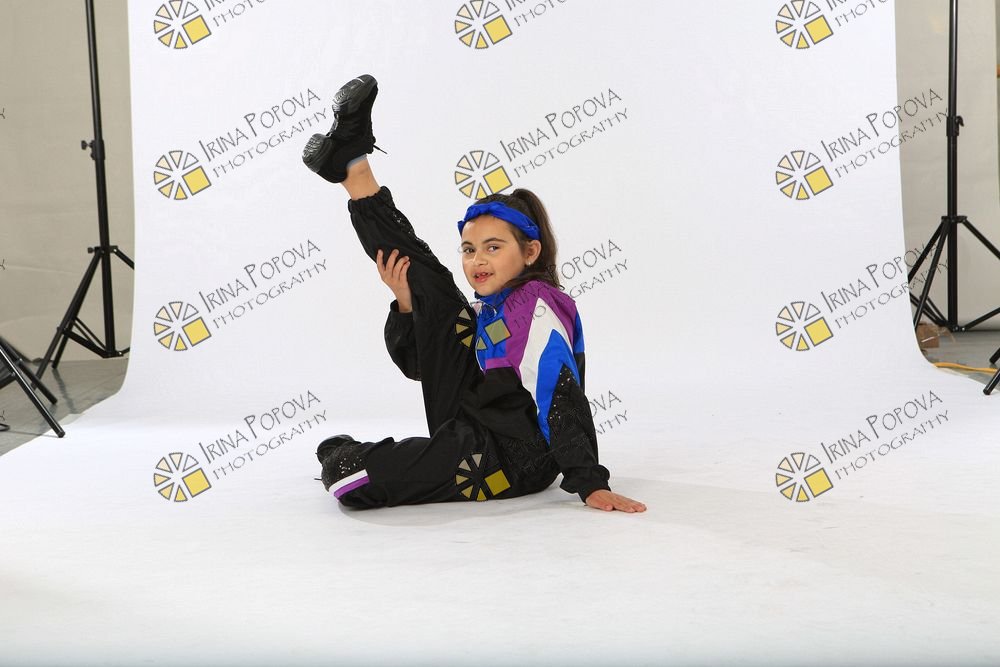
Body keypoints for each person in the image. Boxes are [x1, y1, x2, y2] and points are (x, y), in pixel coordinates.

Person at [304, 74, 645, 513]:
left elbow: (559, 392)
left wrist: (589, 482)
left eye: (493, 248)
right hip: (468, 425)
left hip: (509, 460)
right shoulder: (489, 308)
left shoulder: (537, 305)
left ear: (531, 252)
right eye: (469, 249)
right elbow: (422, 366)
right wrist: (407, 305)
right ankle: (353, 166)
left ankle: (340, 450)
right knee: (426, 282)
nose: (477, 260)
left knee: (348, 475)